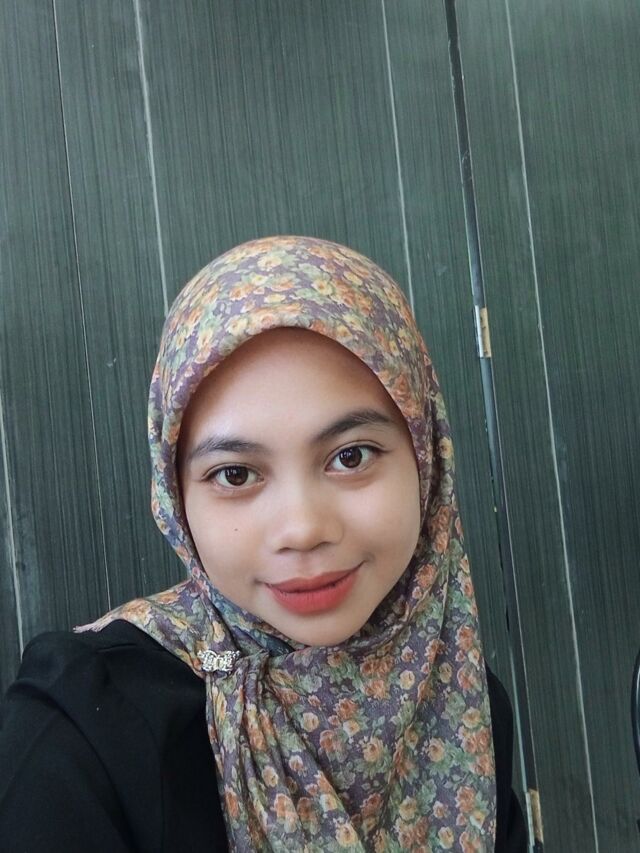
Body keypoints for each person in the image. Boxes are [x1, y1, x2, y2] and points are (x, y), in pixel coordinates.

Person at [0, 236, 527, 851]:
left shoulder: (458, 694)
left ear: (426, 459)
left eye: (351, 456)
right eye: (235, 474)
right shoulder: (82, 729)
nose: (302, 529)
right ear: (176, 497)